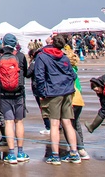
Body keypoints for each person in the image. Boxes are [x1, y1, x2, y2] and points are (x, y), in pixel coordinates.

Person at [33, 34, 80, 165]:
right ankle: (74, 153)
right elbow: (73, 74)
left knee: (54, 124)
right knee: (67, 122)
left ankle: (55, 155)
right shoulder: (63, 56)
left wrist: (42, 92)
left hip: (53, 92)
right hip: (66, 91)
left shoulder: (42, 56)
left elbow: (39, 76)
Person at [0, 33, 30, 164]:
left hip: (4, 93)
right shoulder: (20, 56)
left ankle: (11, 153)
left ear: (3, 43)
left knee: (8, 122)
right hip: (19, 93)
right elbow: (25, 73)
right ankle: (20, 152)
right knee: (19, 121)